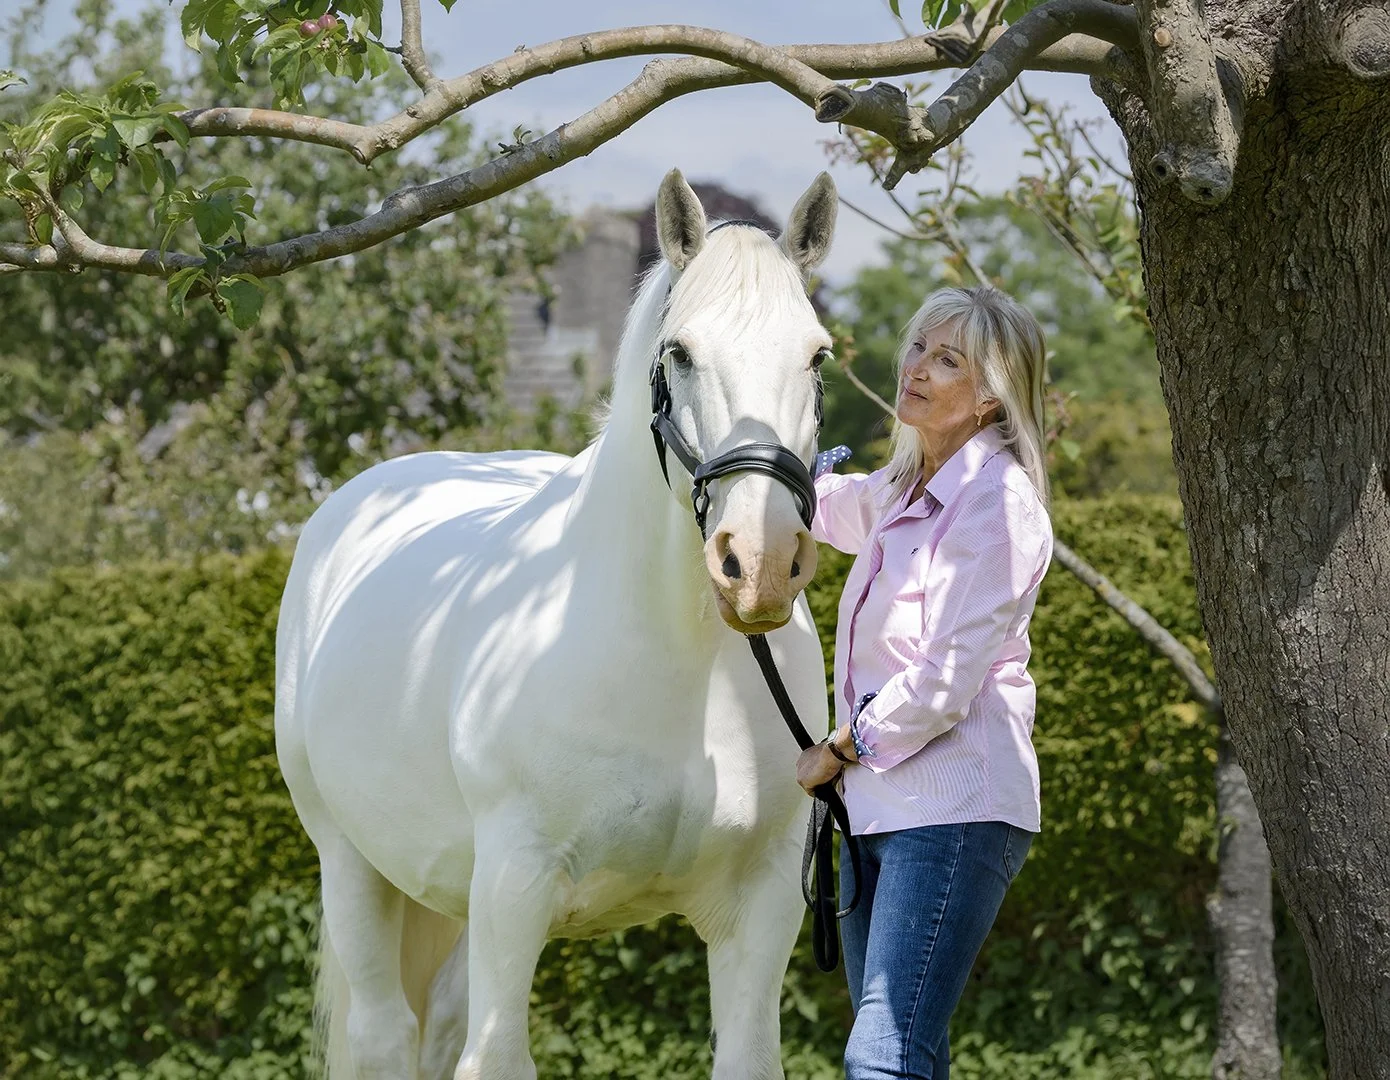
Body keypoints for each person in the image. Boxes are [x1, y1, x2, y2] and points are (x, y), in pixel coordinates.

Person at [797, 284, 1054, 1080]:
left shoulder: (995, 505)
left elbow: (944, 680)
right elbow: (829, 505)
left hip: (954, 806)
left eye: (949, 360)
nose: (917, 369)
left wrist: (839, 748)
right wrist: (755, 469)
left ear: (988, 398)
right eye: (918, 348)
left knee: (883, 1055)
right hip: (883, 807)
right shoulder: (903, 489)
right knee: (911, 1049)